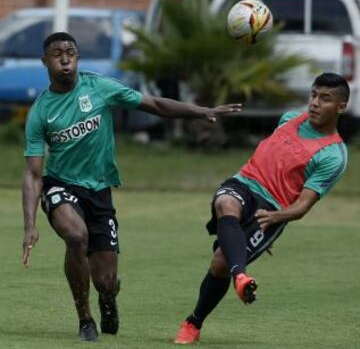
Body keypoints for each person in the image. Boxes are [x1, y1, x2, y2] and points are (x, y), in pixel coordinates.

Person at [21, 32, 242, 342]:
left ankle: (107, 300)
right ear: (45, 61)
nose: (65, 58)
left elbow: (154, 104)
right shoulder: (40, 112)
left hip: (99, 190)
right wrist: (30, 224)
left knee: (107, 280)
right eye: (57, 54)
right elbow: (32, 175)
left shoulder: (99, 87)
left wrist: (202, 110)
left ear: (78, 57)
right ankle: (85, 319)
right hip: (60, 185)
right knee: (76, 236)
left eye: (71, 52)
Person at [173, 72, 349, 344]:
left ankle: (193, 323)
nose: (314, 103)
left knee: (221, 261)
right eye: (313, 95)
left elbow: (302, 206)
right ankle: (241, 276)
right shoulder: (290, 118)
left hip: (272, 209)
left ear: (341, 107)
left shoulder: (332, 155)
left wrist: (275, 220)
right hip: (244, 182)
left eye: (325, 99)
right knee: (225, 203)